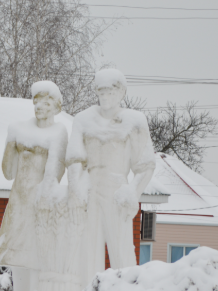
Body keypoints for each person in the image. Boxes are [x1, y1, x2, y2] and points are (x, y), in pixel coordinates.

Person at [66, 69, 156, 277]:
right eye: (102, 92)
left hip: (117, 190)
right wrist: (75, 191)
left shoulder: (134, 121)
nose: (105, 97)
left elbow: (146, 165)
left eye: (111, 92)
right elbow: (74, 159)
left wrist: (133, 191)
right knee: (88, 251)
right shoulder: (83, 119)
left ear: (122, 93)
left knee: (121, 251)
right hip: (89, 189)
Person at [0, 81, 68, 291]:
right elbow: (8, 172)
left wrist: (42, 198)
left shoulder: (59, 133)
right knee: (16, 251)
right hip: (18, 199)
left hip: (40, 201)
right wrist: (11, 144)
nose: (39, 106)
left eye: (45, 102)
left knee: (37, 252)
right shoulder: (19, 129)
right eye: (36, 101)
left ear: (56, 106)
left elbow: (55, 174)